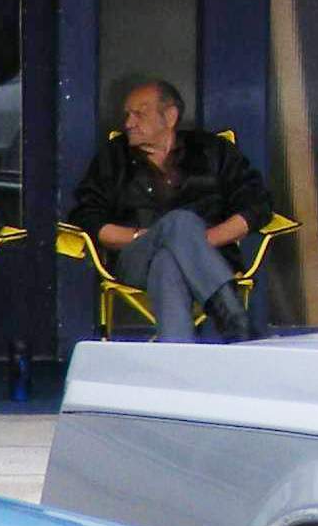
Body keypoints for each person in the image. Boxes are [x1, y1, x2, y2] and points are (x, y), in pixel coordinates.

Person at [68, 80, 273, 341]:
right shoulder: (113, 158)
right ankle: (233, 318)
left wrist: (193, 243)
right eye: (127, 115)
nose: (129, 122)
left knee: (168, 261)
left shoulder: (213, 151)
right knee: (179, 223)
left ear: (171, 116)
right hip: (136, 256)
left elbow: (257, 204)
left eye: (139, 114)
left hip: (212, 255)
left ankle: (176, 356)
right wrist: (147, 236)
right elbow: (87, 217)